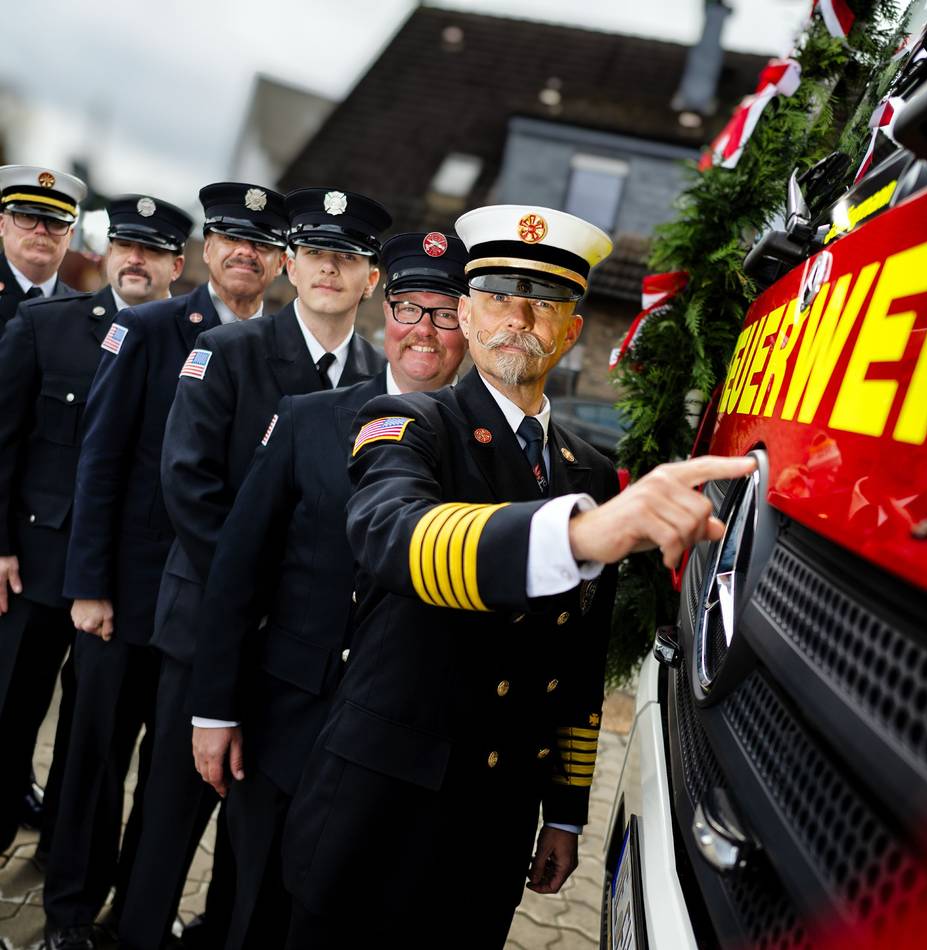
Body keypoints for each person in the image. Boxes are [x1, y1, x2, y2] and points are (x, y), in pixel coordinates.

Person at [281, 205, 757, 949]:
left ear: (571, 331)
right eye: (499, 297)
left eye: (546, 304)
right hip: (380, 810)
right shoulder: (409, 424)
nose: (520, 319)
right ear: (466, 316)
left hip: (494, 825)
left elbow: (576, 661)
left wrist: (565, 810)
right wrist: (577, 534)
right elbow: (393, 535)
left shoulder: (591, 472)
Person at [116, 187, 388, 950]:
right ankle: (136, 934)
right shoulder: (229, 351)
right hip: (210, 622)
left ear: (371, 282)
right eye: (315, 254)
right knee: (171, 812)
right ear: (290, 268)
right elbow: (188, 484)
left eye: (350, 259)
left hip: (299, 659)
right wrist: (258, 594)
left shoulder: (376, 376)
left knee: (259, 830)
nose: (330, 269)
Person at [189, 230, 468, 948]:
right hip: (285, 723)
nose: (423, 332)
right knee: (246, 909)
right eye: (409, 309)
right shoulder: (311, 418)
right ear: (385, 312)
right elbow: (237, 573)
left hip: (396, 749)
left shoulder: (482, 450)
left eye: (444, 314)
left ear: (467, 325)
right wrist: (214, 709)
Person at [44, 183, 286, 950]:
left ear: (278, 261)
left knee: (170, 780)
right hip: (126, 597)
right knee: (94, 760)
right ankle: (69, 914)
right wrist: (88, 585)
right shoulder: (148, 329)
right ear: (207, 252)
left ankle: (132, 910)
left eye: (260, 242)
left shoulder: (283, 348)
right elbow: (101, 457)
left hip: (208, 620)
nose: (244, 252)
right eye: (230, 238)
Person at [0, 195, 190, 872]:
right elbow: (5, 445)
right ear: (108, 253)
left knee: (91, 730)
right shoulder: (46, 328)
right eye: (126, 246)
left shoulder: (200, 348)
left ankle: (61, 846)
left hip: (130, 583)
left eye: (154, 251)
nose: (136, 261)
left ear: (177, 263)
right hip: (41, 562)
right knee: (13, 705)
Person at [0, 164, 86, 329]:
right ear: (2, 224)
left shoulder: (82, 314)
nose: (41, 230)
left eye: (55, 222)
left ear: (70, 236)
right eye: (27, 216)